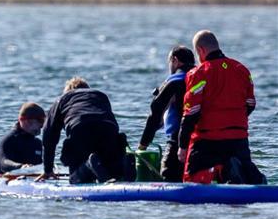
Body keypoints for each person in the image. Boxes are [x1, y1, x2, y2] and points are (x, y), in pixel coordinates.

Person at [177, 31, 265, 185]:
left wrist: (182, 146)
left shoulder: (198, 73)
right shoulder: (242, 69)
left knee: (191, 180)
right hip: (239, 137)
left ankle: (220, 170)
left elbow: (191, 113)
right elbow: (250, 104)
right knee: (241, 175)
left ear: (200, 51)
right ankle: (252, 174)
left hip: (208, 140)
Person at [40, 77, 129, 184]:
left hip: (80, 128)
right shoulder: (100, 95)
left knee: (75, 180)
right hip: (108, 129)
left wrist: (48, 170)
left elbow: (48, 135)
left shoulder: (62, 99)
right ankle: (126, 165)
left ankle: (89, 164)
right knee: (112, 175)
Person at [137, 45, 195, 182]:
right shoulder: (202, 79)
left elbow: (155, 115)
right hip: (205, 140)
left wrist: (143, 144)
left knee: (168, 179)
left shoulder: (175, 81)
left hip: (178, 141)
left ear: (175, 60)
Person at [0, 102, 45, 173]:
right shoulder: (9, 140)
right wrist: (21, 167)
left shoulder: (38, 143)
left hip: (32, 180)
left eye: (44, 121)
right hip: (8, 180)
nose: (42, 125)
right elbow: (3, 163)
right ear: (26, 121)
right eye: (41, 121)